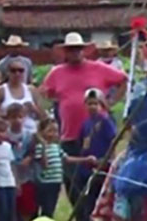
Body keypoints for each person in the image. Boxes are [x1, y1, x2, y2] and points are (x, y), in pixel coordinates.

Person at [40, 32, 126, 206]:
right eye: (71, 50)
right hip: (69, 133)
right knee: (72, 180)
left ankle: (92, 217)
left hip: (96, 132)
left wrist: (110, 102)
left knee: (96, 180)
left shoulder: (98, 68)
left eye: (78, 49)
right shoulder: (57, 72)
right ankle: (81, 216)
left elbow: (123, 80)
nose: (75, 53)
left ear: (84, 51)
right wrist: (59, 105)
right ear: (65, 52)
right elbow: (44, 91)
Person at [33, 117, 96, 218]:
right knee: (47, 208)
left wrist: (85, 159)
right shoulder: (40, 148)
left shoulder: (56, 147)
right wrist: (43, 146)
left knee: (52, 207)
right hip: (45, 183)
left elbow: (67, 159)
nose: (53, 134)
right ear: (41, 132)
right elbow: (44, 165)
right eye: (50, 131)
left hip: (56, 182)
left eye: (55, 131)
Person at [74, 89, 117, 221]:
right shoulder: (85, 124)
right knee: (88, 200)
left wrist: (107, 159)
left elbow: (113, 141)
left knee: (101, 199)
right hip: (87, 168)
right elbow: (81, 143)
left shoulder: (105, 121)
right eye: (89, 103)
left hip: (101, 166)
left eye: (95, 103)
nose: (92, 107)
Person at [5, 104, 36, 221]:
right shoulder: (4, 135)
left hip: (26, 175)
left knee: (27, 203)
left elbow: (33, 150)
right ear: (8, 119)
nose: (17, 120)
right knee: (12, 204)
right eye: (13, 117)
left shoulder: (29, 135)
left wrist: (29, 157)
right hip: (9, 174)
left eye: (20, 117)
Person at [0, 57, 44, 133]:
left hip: (30, 131)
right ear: (7, 72)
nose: (17, 73)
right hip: (8, 133)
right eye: (13, 71)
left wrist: (33, 109)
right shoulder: (1, 91)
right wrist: (11, 114)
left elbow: (43, 116)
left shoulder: (31, 90)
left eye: (21, 70)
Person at [0, 119, 17, 221]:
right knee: (2, 209)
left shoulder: (7, 147)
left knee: (10, 209)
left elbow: (11, 164)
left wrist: (16, 181)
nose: (3, 134)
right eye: (0, 132)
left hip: (10, 182)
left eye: (4, 131)